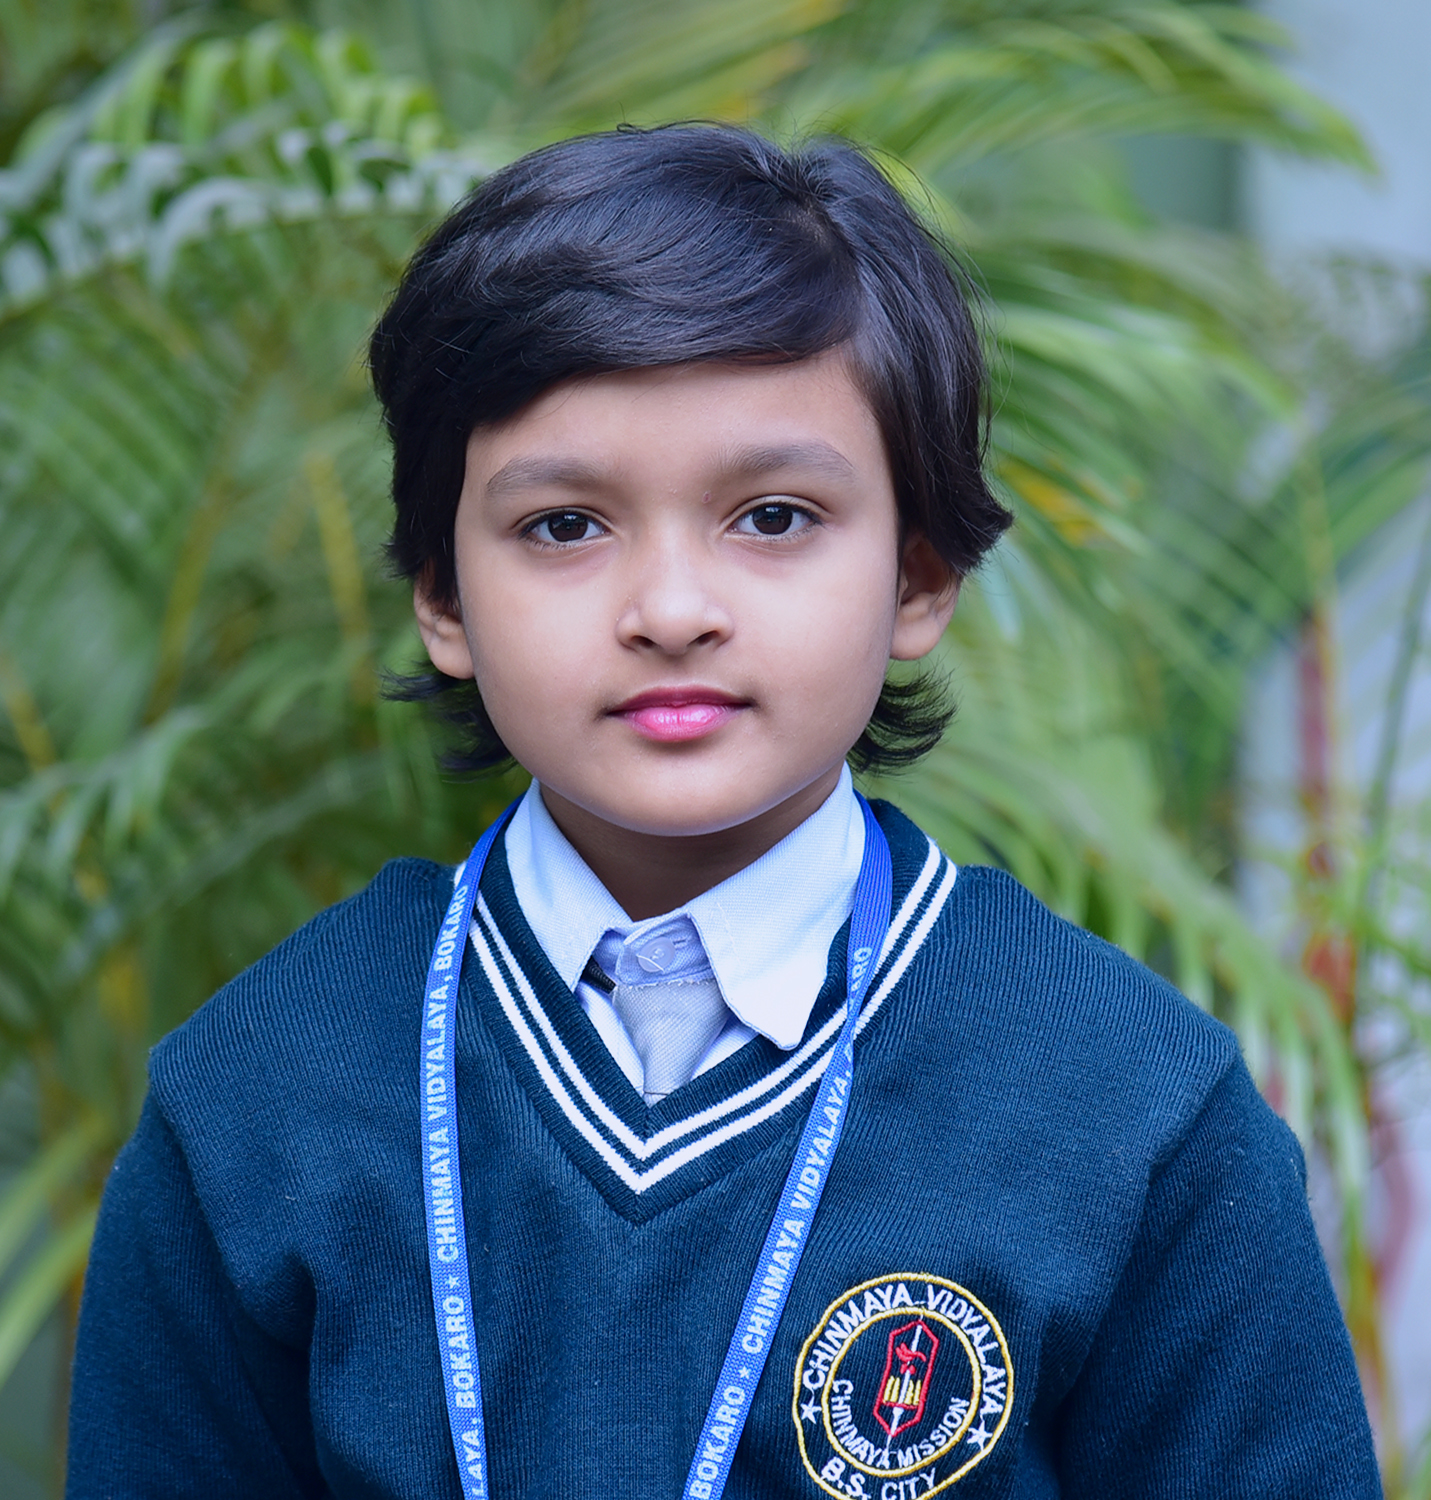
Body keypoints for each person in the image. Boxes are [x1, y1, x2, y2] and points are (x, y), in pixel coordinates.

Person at [67, 124, 1379, 1500]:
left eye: (773, 516)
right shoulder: (255, 1097)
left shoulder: (1132, 1109)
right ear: (443, 597)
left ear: (920, 575)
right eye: (565, 526)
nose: (673, 610)